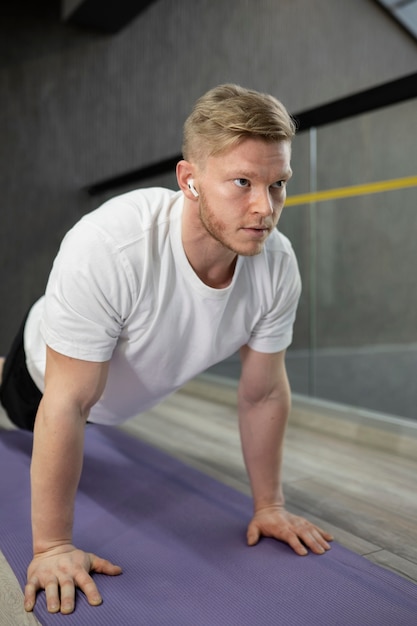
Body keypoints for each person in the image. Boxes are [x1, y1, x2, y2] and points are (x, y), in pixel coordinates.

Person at [0, 83, 333, 615]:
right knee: (13, 409)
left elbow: (264, 394)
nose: (264, 208)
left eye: (278, 185)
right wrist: (53, 548)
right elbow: (65, 405)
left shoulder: (277, 266)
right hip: (43, 377)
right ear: (190, 180)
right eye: (242, 182)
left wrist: (269, 505)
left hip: (105, 400)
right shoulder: (111, 247)